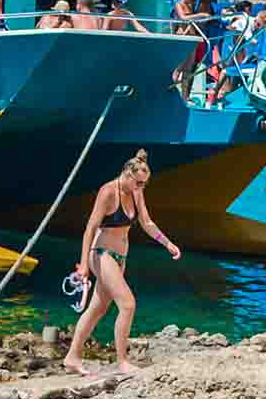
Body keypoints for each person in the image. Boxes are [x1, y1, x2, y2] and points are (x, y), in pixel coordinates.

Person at [64, 150, 181, 374]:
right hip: (101, 253)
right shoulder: (108, 192)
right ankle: (122, 361)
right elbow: (90, 228)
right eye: (138, 182)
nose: (140, 187)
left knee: (97, 308)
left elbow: (146, 222)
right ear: (127, 173)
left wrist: (167, 243)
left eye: (144, 184)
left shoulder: (136, 192)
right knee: (128, 304)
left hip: (120, 256)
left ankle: (72, 357)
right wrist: (84, 265)